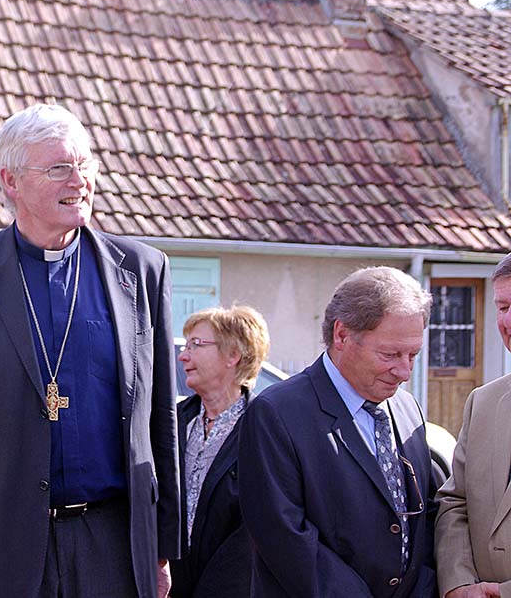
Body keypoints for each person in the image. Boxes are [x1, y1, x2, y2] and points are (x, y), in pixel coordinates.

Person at [0, 103, 179, 598]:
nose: (79, 180)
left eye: (85, 165)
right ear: (11, 181)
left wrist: (162, 547)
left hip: (114, 542)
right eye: (59, 167)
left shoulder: (142, 270)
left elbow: (159, 418)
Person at [240, 266, 438, 597]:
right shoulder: (277, 413)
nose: (404, 371)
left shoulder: (407, 409)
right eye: (390, 354)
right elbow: (286, 537)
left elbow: (425, 522)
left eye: (413, 355)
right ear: (342, 335)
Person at [169, 305, 269, 597]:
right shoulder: (173, 421)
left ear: (233, 355)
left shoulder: (262, 428)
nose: (183, 355)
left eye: (196, 345)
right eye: (185, 345)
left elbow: (256, 529)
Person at [434, 253, 511, 598]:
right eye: (503, 306)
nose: (508, 320)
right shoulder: (483, 403)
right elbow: (455, 502)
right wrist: (458, 583)